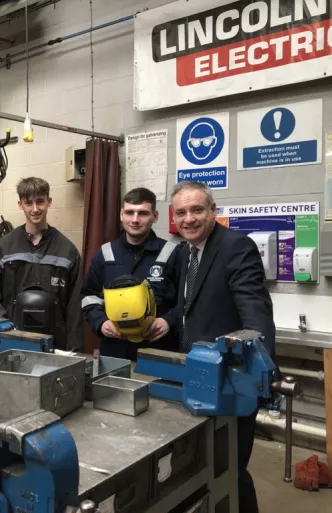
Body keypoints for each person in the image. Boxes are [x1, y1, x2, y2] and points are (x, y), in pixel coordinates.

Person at [150, 180, 276, 513]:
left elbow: (254, 309)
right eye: (181, 212)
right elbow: (192, 305)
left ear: (213, 211)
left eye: (196, 210)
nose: (189, 219)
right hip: (195, 377)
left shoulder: (236, 246)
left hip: (230, 380)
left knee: (230, 469)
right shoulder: (184, 252)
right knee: (202, 467)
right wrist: (170, 320)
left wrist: (259, 370)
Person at [0, 177, 84, 352]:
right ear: (20, 204)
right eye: (29, 203)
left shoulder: (67, 251)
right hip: (11, 344)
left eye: (40, 202)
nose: (35, 209)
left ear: (49, 202)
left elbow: (75, 308)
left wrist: (74, 352)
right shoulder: (3, 248)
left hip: (55, 346)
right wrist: (5, 331)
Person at [81, 187, 181, 360]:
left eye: (142, 213)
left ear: (155, 216)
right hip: (114, 351)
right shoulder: (105, 253)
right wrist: (101, 322)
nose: (135, 220)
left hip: (158, 351)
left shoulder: (173, 253)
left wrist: (168, 321)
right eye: (129, 213)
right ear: (121, 215)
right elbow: (89, 296)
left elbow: (187, 301)